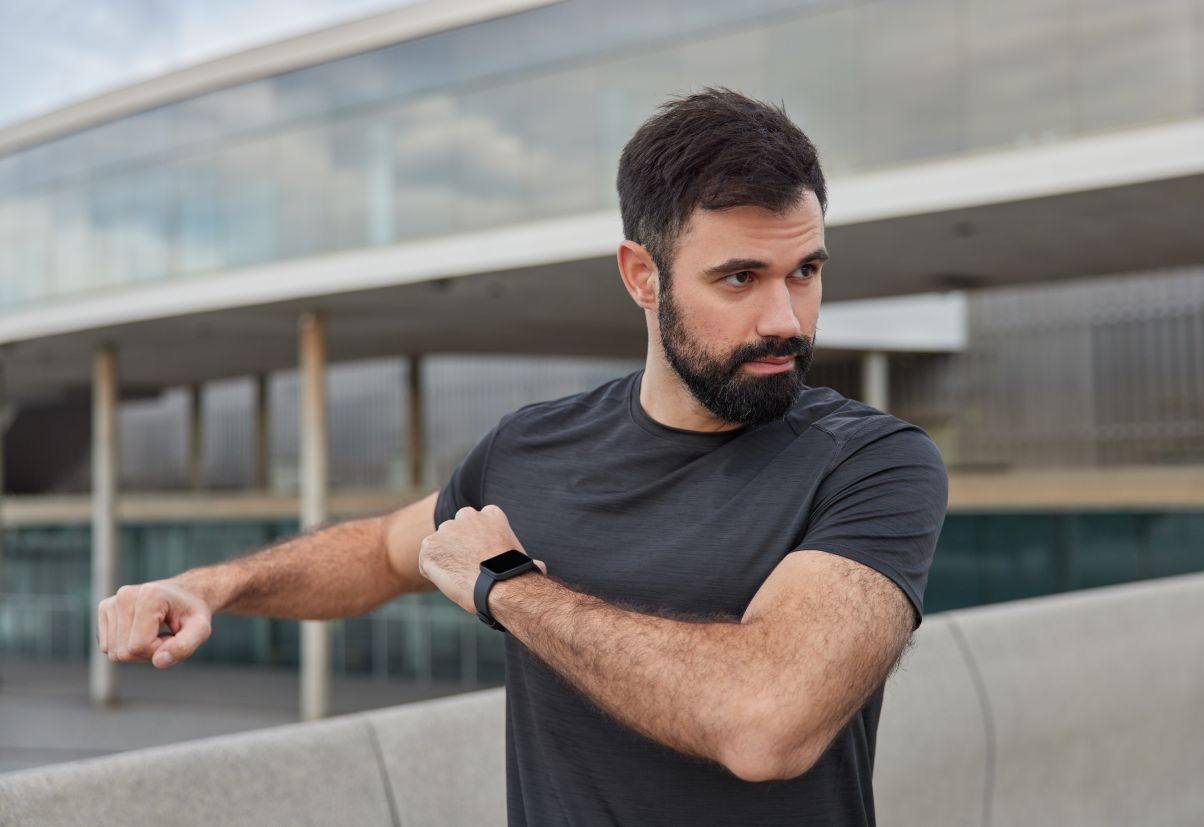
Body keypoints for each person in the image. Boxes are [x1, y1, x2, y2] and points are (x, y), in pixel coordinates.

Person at [98, 88, 948, 826]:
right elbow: (386, 551)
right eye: (739, 278)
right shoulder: (534, 445)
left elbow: (768, 724)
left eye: (804, 271)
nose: (786, 320)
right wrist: (213, 585)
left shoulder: (872, 464)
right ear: (642, 274)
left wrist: (509, 586)